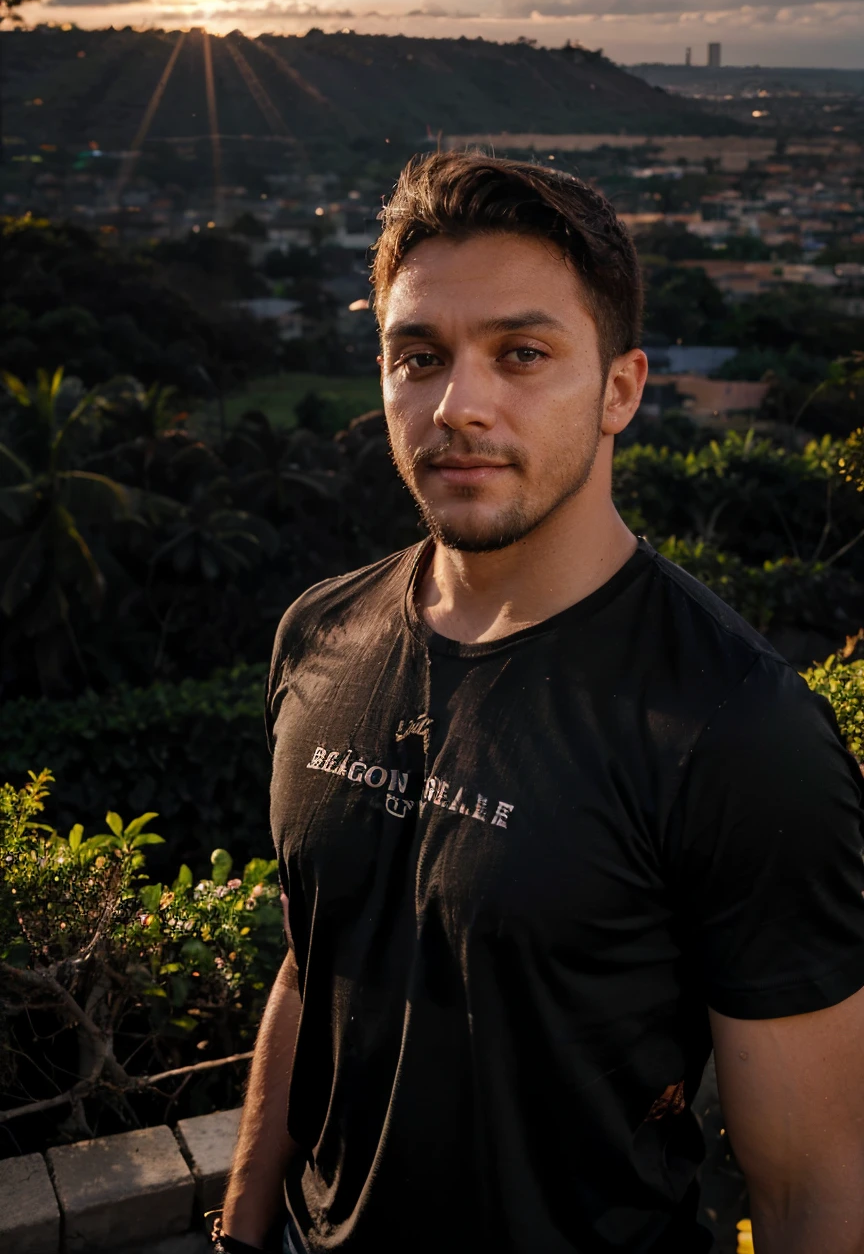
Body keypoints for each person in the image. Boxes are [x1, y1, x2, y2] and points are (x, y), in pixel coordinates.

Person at [216, 152, 864, 1254]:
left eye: (522, 354)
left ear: (620, 388)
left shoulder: (734, 730)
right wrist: (238, 1231)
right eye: (418, 357)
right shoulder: (318, 636)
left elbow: (812, 1190)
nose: (458, 404)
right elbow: (308, 959)